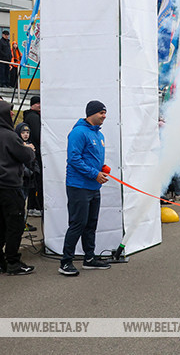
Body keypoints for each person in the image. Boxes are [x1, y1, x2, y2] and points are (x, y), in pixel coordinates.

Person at [59, 100, 112, 276]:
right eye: (101, 113)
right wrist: (94, 173)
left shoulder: (99, 135)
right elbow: (74, 159)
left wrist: (101, 169)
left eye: (105, 112)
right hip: (78, 186)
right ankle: (66, 262)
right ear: (91, 113)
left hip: (93, 187)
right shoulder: (78, 132)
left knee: (91, 224)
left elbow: (91, 158)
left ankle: (89, 258)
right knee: (77, 224)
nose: (104, 116)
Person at [0, 101, 36, 275]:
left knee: (1, 225)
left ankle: (2, 261)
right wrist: (28, 148)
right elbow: (25, 156)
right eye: (10, 111)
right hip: (10, 187)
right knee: (15, 225)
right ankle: (13, 262)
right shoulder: (9, 136)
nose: (13, 114)